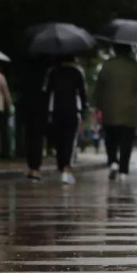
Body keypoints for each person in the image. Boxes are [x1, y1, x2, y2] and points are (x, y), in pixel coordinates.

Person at [94, 44, 137, 181]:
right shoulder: (134, 66)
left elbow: (99, 86)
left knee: (110, 138)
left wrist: (98, 105)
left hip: (109, 108)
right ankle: (123, 171)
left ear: (114, 50)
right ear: (129, 50)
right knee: (126, 141)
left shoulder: (107, 66)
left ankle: (113, 162)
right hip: (129, 110)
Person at [44, 56, 88, 185]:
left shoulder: (53, 72)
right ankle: (66, 169)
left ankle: (61, 166)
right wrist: (84, 108)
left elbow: (47, 92)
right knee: (69, 140)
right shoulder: (76, 73)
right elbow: (82, 93)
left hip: (57, 111)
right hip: (71, 110)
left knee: (59, 140)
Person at [21, 58, 49, 181]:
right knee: (37, 138)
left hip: (27, 108)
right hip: (40, 108)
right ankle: (35, 168)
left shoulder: (25, 70)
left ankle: (32, 167)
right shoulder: (46, 72)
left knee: (30, 137)